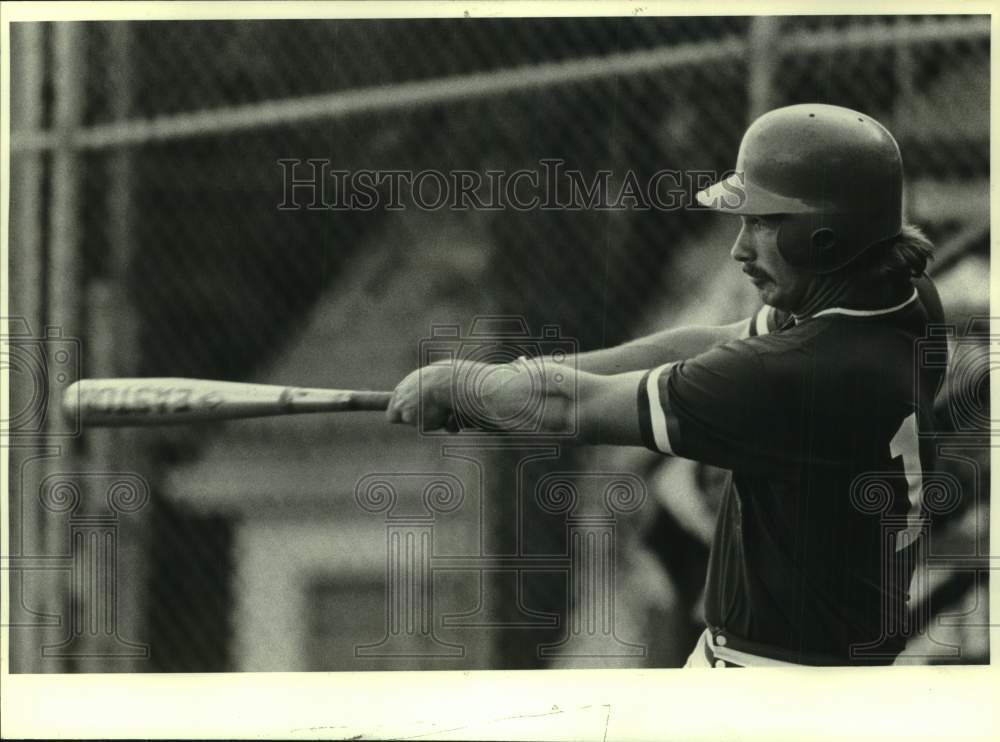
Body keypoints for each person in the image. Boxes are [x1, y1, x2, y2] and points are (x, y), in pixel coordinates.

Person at [387, 103, 946, 667]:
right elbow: (716, 344)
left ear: (824, 235)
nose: (740, 248)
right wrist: (510, 378)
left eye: (764, 223)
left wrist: (470, 390)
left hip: (773, 690)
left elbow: (568, 408)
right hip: (823, 664)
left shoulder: (801, 374)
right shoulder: (897, 296)